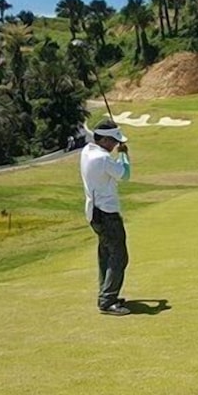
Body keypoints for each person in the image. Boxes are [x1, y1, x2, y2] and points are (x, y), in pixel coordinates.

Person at [80, 120, 132, 316]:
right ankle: (108, 300)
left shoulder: (87, 151)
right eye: (113, 141)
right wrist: (123, 153)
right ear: (103, 140)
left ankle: (106, 294)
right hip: (107, 213)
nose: (115, 145)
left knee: (106, 254)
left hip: (93, 213)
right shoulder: (103, 159)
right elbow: (124, 174)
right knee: (119, 256)